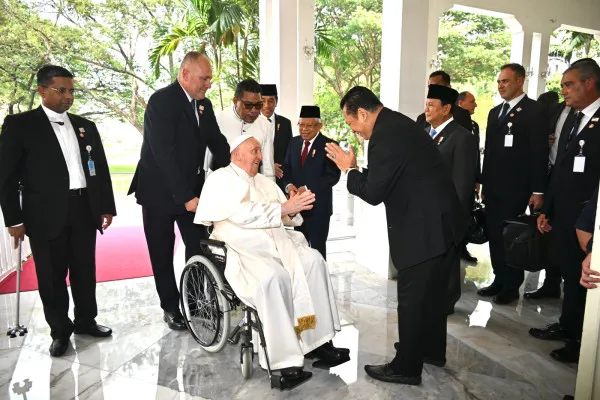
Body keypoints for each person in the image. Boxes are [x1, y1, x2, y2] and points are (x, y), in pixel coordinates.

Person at [325, 86, 467, 385]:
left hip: (423, 229)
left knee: (413, 299)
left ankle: (406, 367)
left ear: (362, 113)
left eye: (353, 124)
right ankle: (429, 350)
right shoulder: (398, 124)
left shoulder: (384, 136)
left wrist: (349, 171)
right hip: (442, 224)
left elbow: (374, 192)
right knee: (431, 296)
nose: (355, 131)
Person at [194, 134, 349, 385]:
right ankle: (285, 362)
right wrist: (284, 209)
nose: (259, 156)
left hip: (279, 243)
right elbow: (242, 214)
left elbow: (283, 217)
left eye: (259, 151)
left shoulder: (265, 182)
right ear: (237, 154)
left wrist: (294, 208)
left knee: (313, 261)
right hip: (242, 247)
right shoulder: (220, 179)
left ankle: (316, 341)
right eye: (254, 151)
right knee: (273, 278)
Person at [0, 65, 116, 357]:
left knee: (84, 270)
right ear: (42, 90)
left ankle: (86, 320)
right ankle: (60, 331)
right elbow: (6, 177)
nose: (68, 97)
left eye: (71, 91)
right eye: (60, 90)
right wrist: (13, 218)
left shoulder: (85, 126)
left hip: (83, 209)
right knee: (51, 276)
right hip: (44, 214)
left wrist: (106, 206)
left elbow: (99, 171)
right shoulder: (20, 125)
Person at [128, 52, 230, 331]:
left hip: (194, 193)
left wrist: (238, 174)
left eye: (210, 78)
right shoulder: (162, 101)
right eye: (204, 78)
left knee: (198, 247)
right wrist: (185, 197)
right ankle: (171, 307)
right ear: (185, 74)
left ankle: (197, 304)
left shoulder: (204, 106)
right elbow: (164, 155)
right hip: (160, 193)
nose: (208, 84)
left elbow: (217, 143)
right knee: (161, 253)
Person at [531, 60, 600, 363]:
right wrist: (549, 208)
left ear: (589, 83)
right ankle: (568, 326)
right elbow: (561, 167)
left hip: (588, 219)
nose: (563, 91)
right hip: (565, 214)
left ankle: (580, 343)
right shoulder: (573, 117)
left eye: (569, 84)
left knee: (583, 280)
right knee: (571, 276)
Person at [478, 63, 548, 305]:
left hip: (518, 188)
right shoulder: (495, 112)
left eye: (505, 81)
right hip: (495, 188)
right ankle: (499, 279)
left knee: (513, 237)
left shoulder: (535, 111)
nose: (501, 86)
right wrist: (484, 184)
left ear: (520, 81)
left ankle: (511, 286)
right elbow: (490, 153)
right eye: (498, 82)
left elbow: (539, 153)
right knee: (496, 236)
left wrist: (538, 189)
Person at [425, 85, 478, 314]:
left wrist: (453, 216)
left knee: (447, 259)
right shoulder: (426, 133)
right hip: (426, 210)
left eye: (431, 105)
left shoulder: (461, 137)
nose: (426, 110)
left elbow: (463, 183)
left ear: (446, 108)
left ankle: (447, 302)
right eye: (426, 104)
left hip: (448, 213)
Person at [282, 106, 341, 259]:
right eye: (301, 125)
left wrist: (307, 188)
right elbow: (286, 168)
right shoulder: (293, 143)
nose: (304, 129)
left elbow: (332, 176)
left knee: (317, 251)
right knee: (299, 249)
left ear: (319, 126)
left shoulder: (329, 145)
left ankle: (319, 283)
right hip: (297, 208)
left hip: (318, 210)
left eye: (309, 125)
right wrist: (289, 186)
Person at [208, 79, 274, 179]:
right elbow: (208, 160)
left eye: (258, 105)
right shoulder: (218, 120)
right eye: (248, 105)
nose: (254, 110)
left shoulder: (265, 125)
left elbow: (268, 167)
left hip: (252, 185)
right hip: (223, 183)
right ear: (235, 101)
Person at [456, 90, 482, 264]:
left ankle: (462, 247)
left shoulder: (474, 126)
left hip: (469, 180)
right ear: (460, 104)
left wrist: (477, 178)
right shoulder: (454, 126)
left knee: (467, 214)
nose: (475, 105)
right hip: (456, 179)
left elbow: (476, 155)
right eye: (471, 101)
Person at [260, 84, 293, 191]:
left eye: (271, 101)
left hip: (280, 179)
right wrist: (268, 166)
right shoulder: (251, 123)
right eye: (263, 101)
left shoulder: (285, 123)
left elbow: (289, 152)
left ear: (276, 102)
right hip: (258, 178)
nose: (266, 105)